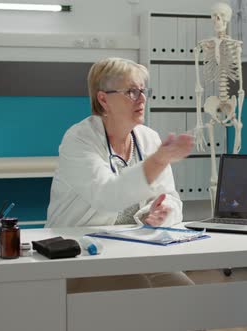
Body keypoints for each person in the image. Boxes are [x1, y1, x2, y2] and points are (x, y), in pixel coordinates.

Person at [47, 57, 195, 289]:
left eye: (143, 91)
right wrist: (158, 160)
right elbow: (108, 197)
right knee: (139, 291)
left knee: (185, 293)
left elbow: (171, 199)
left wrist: (160, 213)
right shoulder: (79, 140)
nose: (142, 99)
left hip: (134, 249)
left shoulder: (149, 138)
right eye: (131, 92)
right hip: (82, 254)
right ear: (104, 99)